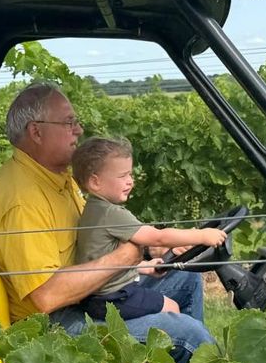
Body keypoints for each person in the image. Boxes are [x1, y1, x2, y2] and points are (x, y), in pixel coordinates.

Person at [0, 83, 216, 363]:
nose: (78, 130)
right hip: (60, 326)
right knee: (186, 332)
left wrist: (143, 262)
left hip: (90, 299)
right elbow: (45, 297)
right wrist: (127, 256)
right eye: (69, 122)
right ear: (36, 131)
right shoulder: (23, 200)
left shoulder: (56, 179)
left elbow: (92, 245)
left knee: (185, 279)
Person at [71, 136, 227, 322]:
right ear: (95, 182)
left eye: (130, 174)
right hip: (113, 298)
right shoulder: (110, 213)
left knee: (185, 282)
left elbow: (102, 257)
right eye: (122, 176)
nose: (130, 181)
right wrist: (201, 235)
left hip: (101, 294)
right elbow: (157, 237)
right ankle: (186, 345)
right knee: (172, 309)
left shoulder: (93, 208)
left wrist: (143, 267)